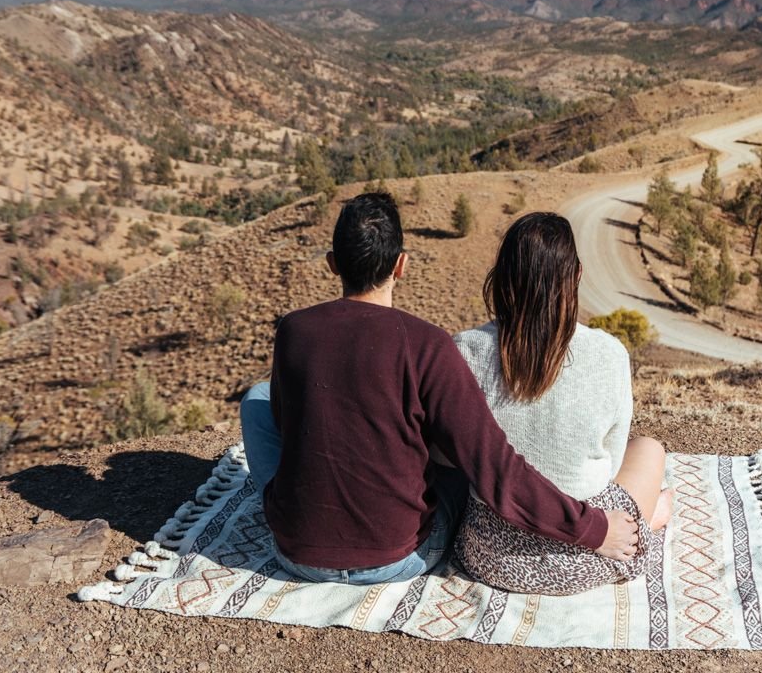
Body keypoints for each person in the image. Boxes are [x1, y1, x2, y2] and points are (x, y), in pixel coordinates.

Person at [239, 192, 638, 585]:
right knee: (454, 464)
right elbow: (494, 468)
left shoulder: (293, 330)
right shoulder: (427, 343)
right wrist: (593, 530)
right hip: (398, 557)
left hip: (296, 553)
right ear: (401, 265)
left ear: (332, 265)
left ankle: (292, 509)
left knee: (257, 397)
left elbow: (288, 421)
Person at [453, 212, 672, 596]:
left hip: (491, 555)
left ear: (503, 276)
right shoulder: (609, 353)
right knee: (649, 450)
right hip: (590, 552)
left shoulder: (465, 349)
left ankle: (651, 516)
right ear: (577, 275)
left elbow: (448, 452)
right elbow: (613, 462)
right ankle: (648, 519)